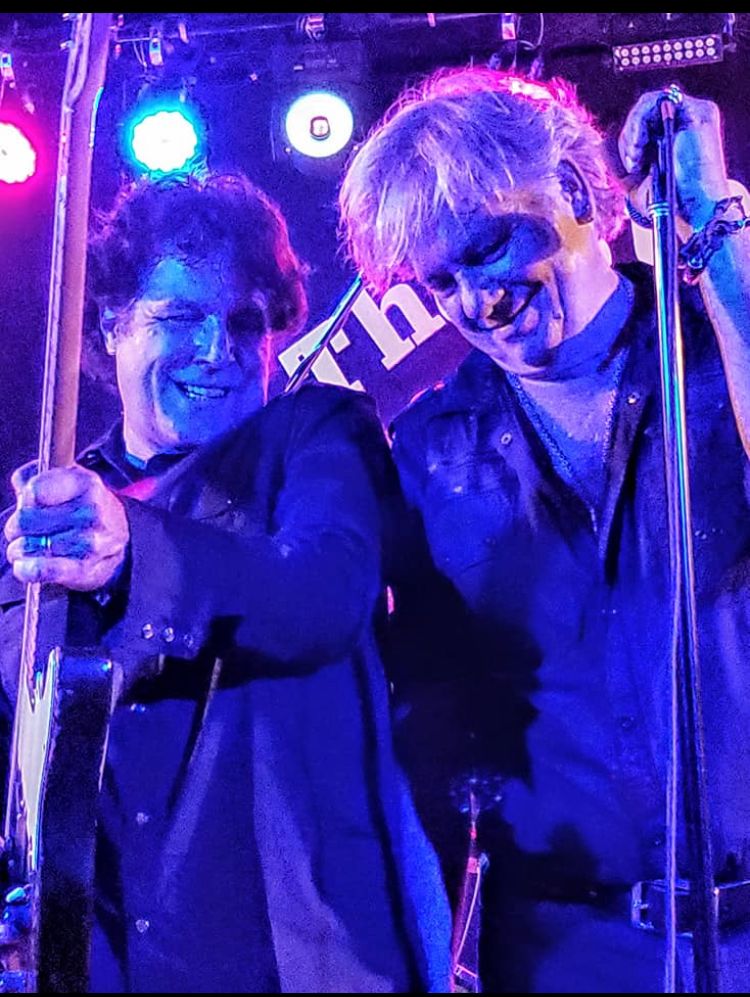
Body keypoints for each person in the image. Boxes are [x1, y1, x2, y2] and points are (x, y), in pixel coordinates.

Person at [339, 65, 750, 992]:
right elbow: (419, 715)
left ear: (572, 189)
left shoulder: (720, 345)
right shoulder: (432, 450)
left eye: (488, 247)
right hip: (569, 948)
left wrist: (714, 227)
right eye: (441, 282)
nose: (476, 301)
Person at [0, 172, 451, 993]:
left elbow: (324, 593)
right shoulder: (52, 511)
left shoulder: (316, 434)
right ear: (111, 323)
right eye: (180, 316)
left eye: (244, 321)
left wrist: (133, 549)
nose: (217, 349)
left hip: (299, 957)